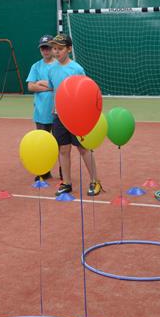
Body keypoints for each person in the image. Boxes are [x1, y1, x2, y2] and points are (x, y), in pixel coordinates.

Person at [48, 34, 102, 196]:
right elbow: (55, 90)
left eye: (60, 49)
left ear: (69, 49)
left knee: (83, 148)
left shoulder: (77, 69)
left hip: (77, 117)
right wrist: (54, 108)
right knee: (63, 149)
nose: (56, 52)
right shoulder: (52, 70)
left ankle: (95, 181)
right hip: (59, 116)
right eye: (54, 49)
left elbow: (85, 91)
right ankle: (66, 183)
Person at [25, 34, 60, 183]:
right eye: (43, 48)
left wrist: (42, 83)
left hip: (58, 112)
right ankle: (44, 171)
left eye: (48, 48)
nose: (45, 51)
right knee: (42, 144)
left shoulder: (59, 65)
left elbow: (60, 85)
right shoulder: (36, 66)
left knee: (60, 144)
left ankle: (63, 172)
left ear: (53, 48)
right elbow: (30, 86)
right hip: (41, 113)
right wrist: (49, 87)